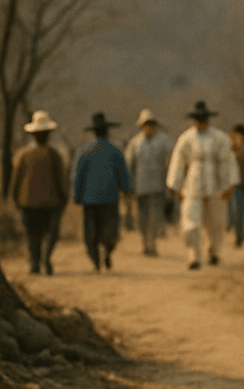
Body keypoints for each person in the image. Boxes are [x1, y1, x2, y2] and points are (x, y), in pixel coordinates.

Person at [167, 99, 239, 270]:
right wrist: (176, 186)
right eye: (197, 118)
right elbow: (178, 161)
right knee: (190, 223)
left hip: (216, 185)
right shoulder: (186, 138)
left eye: (203, 118)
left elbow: (228, 161)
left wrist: (229, 185)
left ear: (208, 118)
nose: (200, 121)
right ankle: (194, 256)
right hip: (193, 185)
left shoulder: (220, 137)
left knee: (216, 222)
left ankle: (214, 252)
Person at [10, 110, 70, 275]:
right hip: (51, 203)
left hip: (27, 202)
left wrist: (15, 198)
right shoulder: (54, 154)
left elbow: (15, 179)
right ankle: (45, 258)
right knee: (51, 233)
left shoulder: (23, 155)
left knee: (33, 234)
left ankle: (35, 262)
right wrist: (64, 197)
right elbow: (62, 179)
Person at [73, 112, 131, 272]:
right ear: (107, 131)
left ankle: (95, 260)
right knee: (110, 229)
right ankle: (108, 250)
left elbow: (78, 176)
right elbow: (123, 174)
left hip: (89, 198)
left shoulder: (84, 150)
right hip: (110, 197)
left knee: (90, 231)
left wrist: (77, 196)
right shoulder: (116, 150)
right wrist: (126, 190)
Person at [125, 109, 173, 256]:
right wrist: (129, 185)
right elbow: (129, 165)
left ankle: (151, 244)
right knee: (141, 217)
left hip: (157, 186)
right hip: (140, 187)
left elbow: (170, 162)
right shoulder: (135, 143)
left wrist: (170, 185)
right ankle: (145, 242)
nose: (149, 127)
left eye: (151, 124)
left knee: (154, 216)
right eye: (146, 124)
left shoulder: (164, 141)